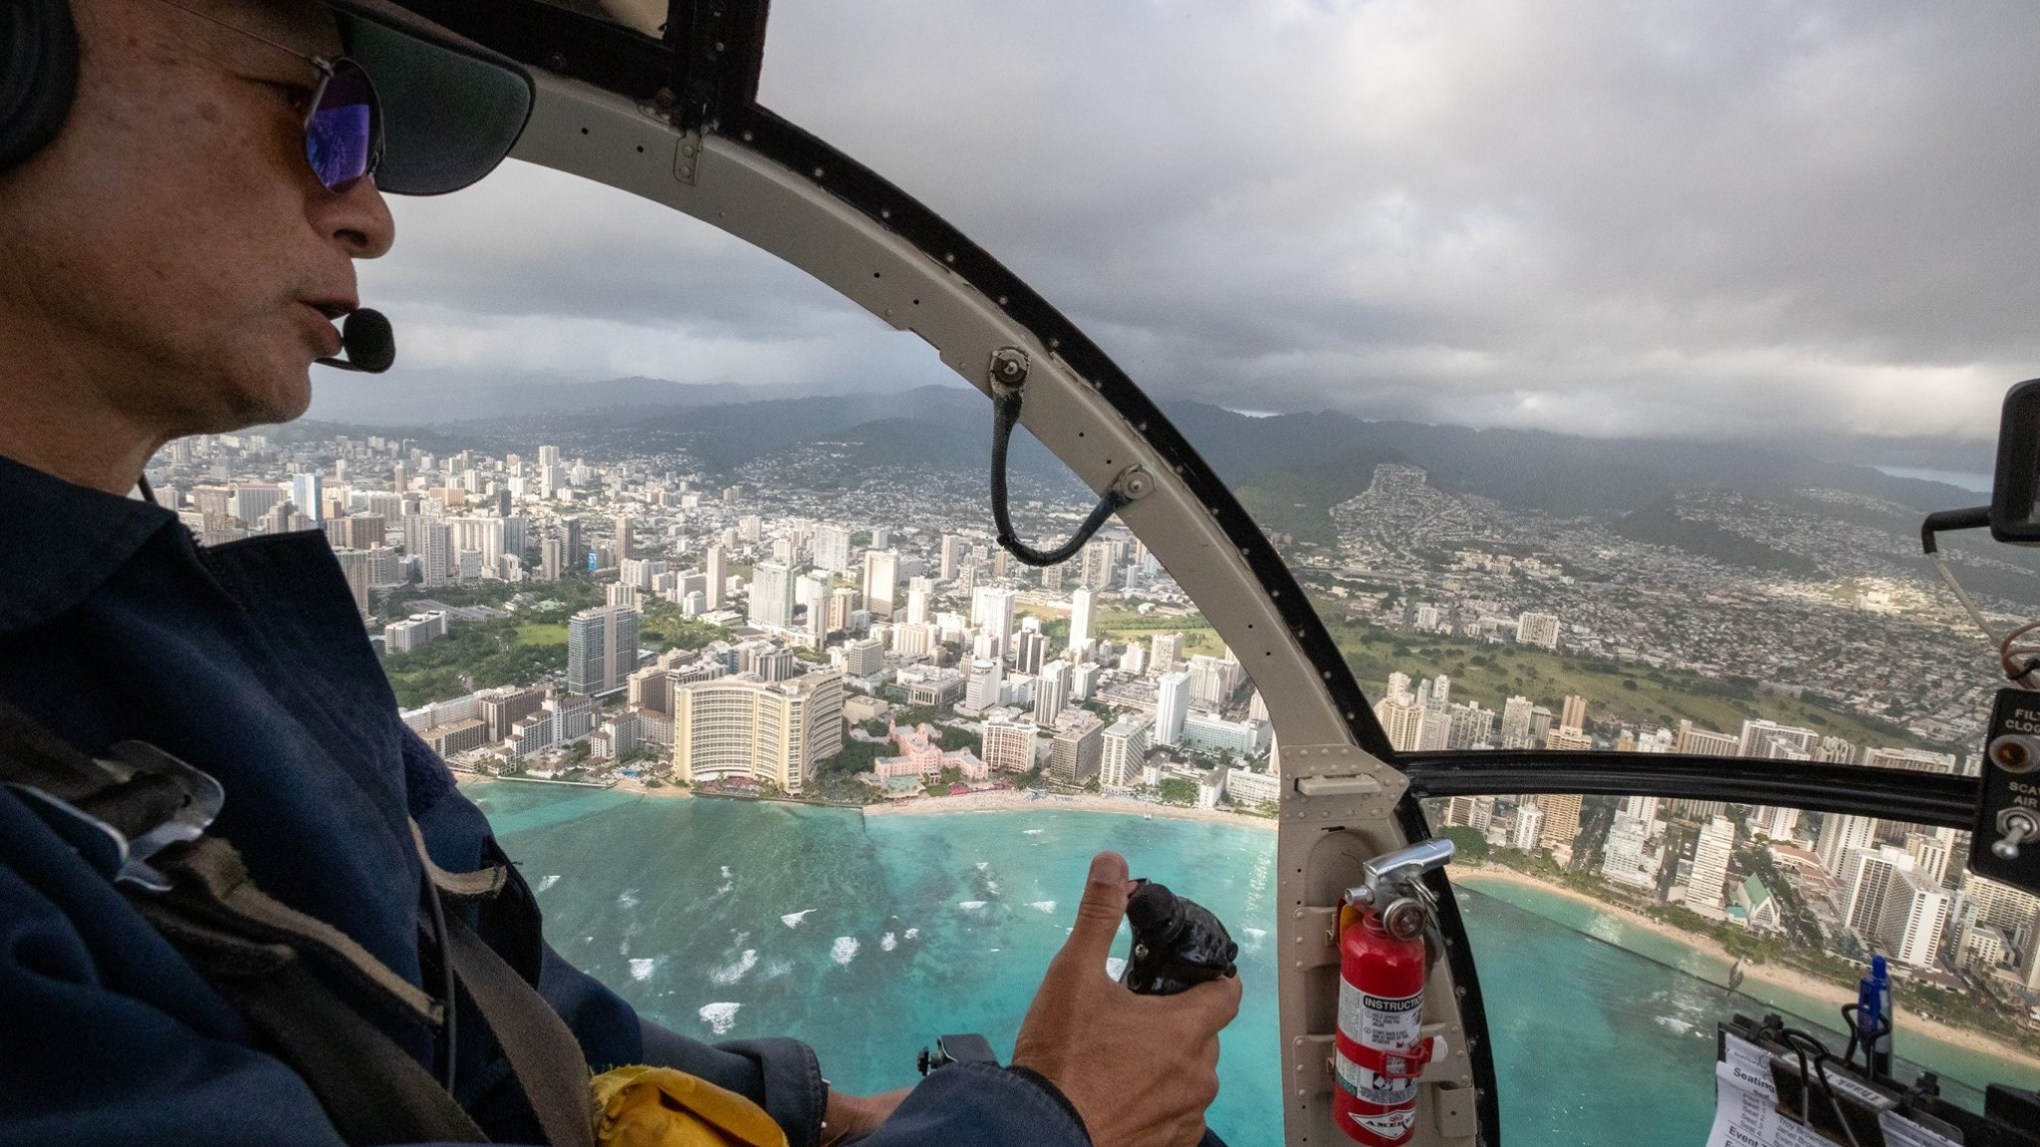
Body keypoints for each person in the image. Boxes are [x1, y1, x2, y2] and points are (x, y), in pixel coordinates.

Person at [0, 0, 1242, 1144]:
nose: (370, 212)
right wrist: (1045, 1118)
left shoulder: (184, 656)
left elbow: (495, 1017)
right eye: (323, 115)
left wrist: (822, 1116)